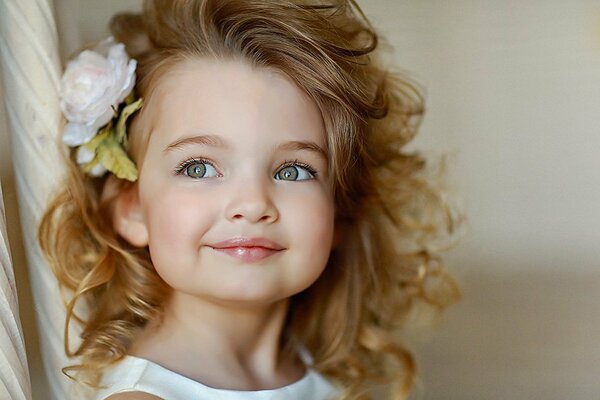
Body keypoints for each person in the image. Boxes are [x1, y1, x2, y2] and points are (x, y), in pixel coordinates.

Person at [39, 0, 461, 399]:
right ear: (131, 206)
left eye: (292, 170)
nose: (253, 203)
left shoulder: (322, 375)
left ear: (340, 210)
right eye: (199, 167)